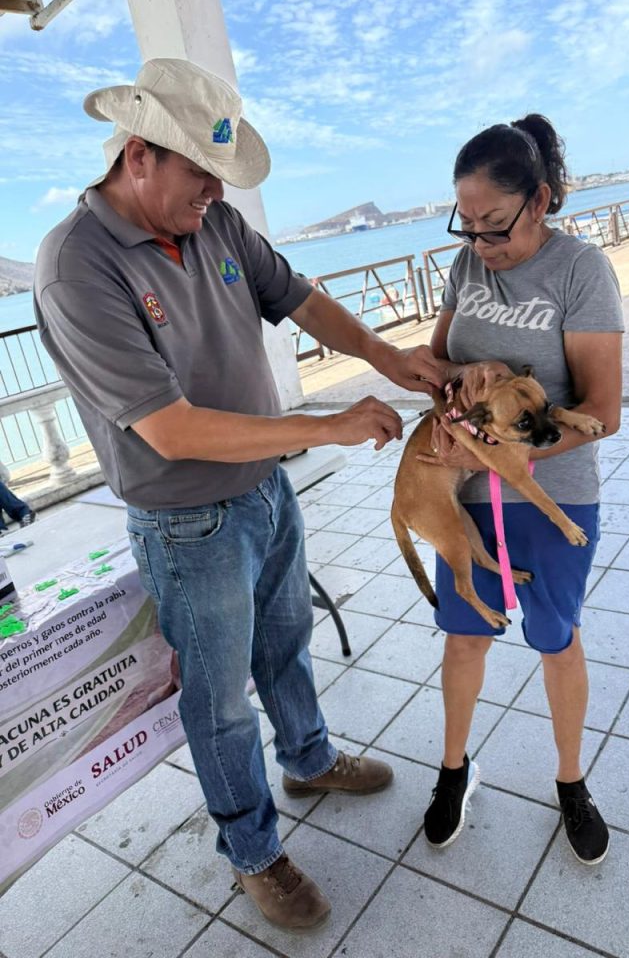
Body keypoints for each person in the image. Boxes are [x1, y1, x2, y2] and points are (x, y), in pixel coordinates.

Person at [33, 58, 449, 932]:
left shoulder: (213, 221)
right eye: (200, 170)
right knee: (220, 701)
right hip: (187, 522)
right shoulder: (76, 266)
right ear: (138, 156)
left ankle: (308, 759)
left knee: (288, 643)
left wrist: (386, 357)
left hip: (265, 489)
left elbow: (299, 298)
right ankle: (253, 851)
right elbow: (171, 430)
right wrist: (326, 427)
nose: (217, 191)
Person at [418, 115, 623, 864]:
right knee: (465, 632)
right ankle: (454, 769)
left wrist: (510, 449)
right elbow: (435, 365)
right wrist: (457, 382)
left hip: (554, 493)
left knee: (555, 637)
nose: (479, 244)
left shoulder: (580, 271)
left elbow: (602, 411)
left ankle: (571, 781)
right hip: (465, 491)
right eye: (465, 225)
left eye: (494, 226)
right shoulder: (466, 267)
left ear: (538, 200)